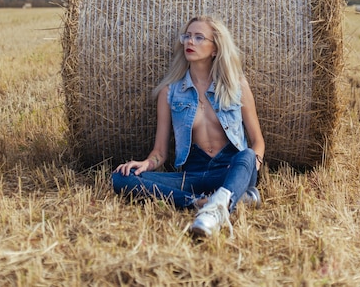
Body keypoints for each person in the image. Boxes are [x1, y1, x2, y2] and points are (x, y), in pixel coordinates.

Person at [112, 15, 265, 237]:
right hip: (193, 175)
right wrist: (147, 163)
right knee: (121, 178)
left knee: (248, 155)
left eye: (199, 37)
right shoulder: (170, 92)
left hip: (232, 169)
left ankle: (220, 202)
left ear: (215, 49)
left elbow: (258, 141)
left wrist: (252, 166)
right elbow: (160, 152)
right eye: (187, 36)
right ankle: (203, 202)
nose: (189, 42)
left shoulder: (236, 85)